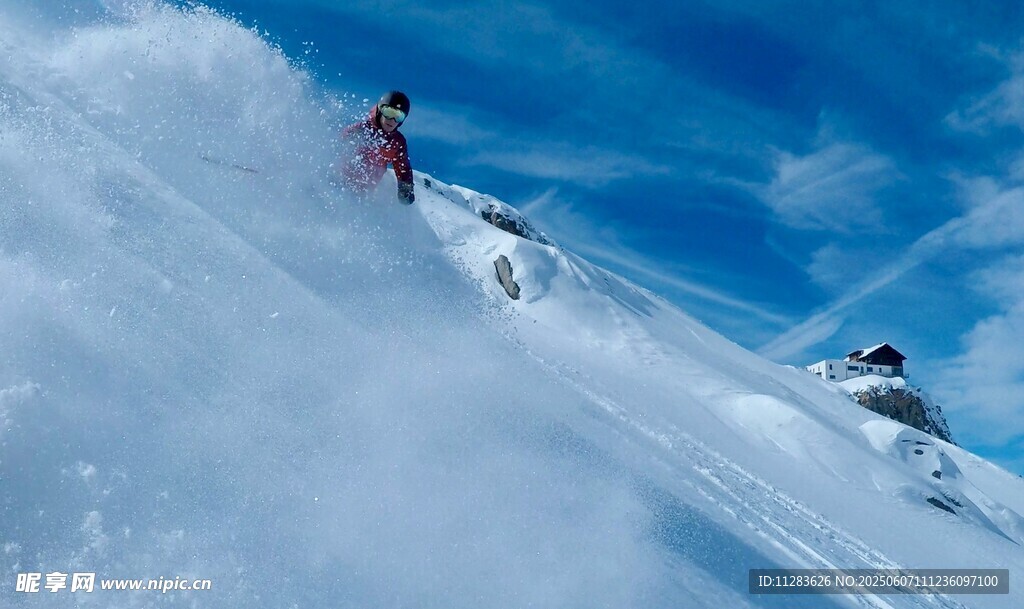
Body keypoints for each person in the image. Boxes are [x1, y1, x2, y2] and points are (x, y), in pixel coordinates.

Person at [339, 90, 415, 204]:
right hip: (339, 183)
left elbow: (403, 166)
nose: (392, 120)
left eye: (398, 116)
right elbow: (335, 148)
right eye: (388, 112)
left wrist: (406, 189)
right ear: (380, 110)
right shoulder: (361, 129)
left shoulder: (397, 142)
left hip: (362, 194)